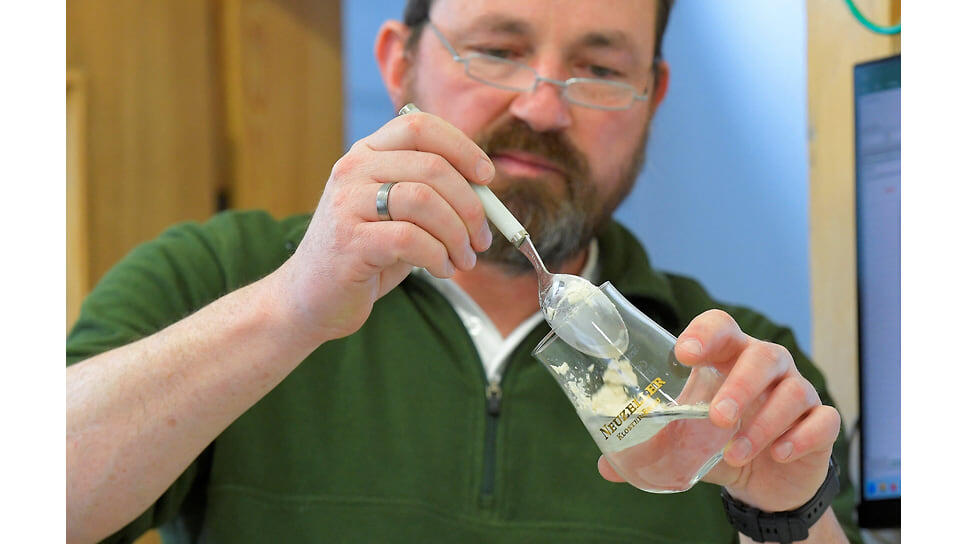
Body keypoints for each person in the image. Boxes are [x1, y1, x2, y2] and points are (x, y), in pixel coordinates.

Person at [66, 1, 860, 542]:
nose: (544, 107)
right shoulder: (213, 276)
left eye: (600, 68)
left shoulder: (738, 377)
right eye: (497, 51)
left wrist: (786, 512)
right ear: (398, 61)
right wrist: (290, 309)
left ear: (652, 96)